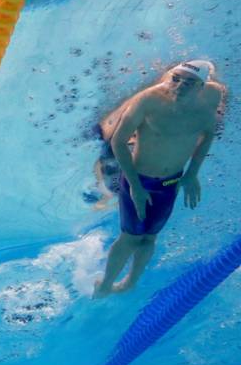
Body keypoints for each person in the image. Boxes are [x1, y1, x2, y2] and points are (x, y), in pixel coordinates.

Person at [93, 60, 226, 298]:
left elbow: (207, 135)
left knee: (149, 238)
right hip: (140, 180)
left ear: (201, 87)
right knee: (130, 238)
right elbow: (118, 141)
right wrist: (134, 186)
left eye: (188, 83)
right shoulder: (148, 100)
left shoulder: (212, 98)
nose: (179, 87)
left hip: (170, 183)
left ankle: (129, 283)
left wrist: (192, 174)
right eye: (176, 79)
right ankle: (105, 284)